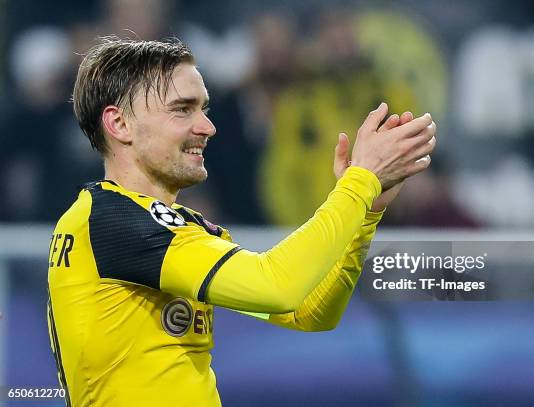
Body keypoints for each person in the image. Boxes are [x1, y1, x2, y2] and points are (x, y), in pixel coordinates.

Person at [47, 37, 436, 406]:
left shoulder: (171, 228)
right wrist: (359, 181)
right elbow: (277, 285)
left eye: (204, 109)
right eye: (182, 109)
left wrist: (366, 212)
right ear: (119, 125)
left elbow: (308, 312)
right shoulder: (113, 221)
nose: (207, 127)